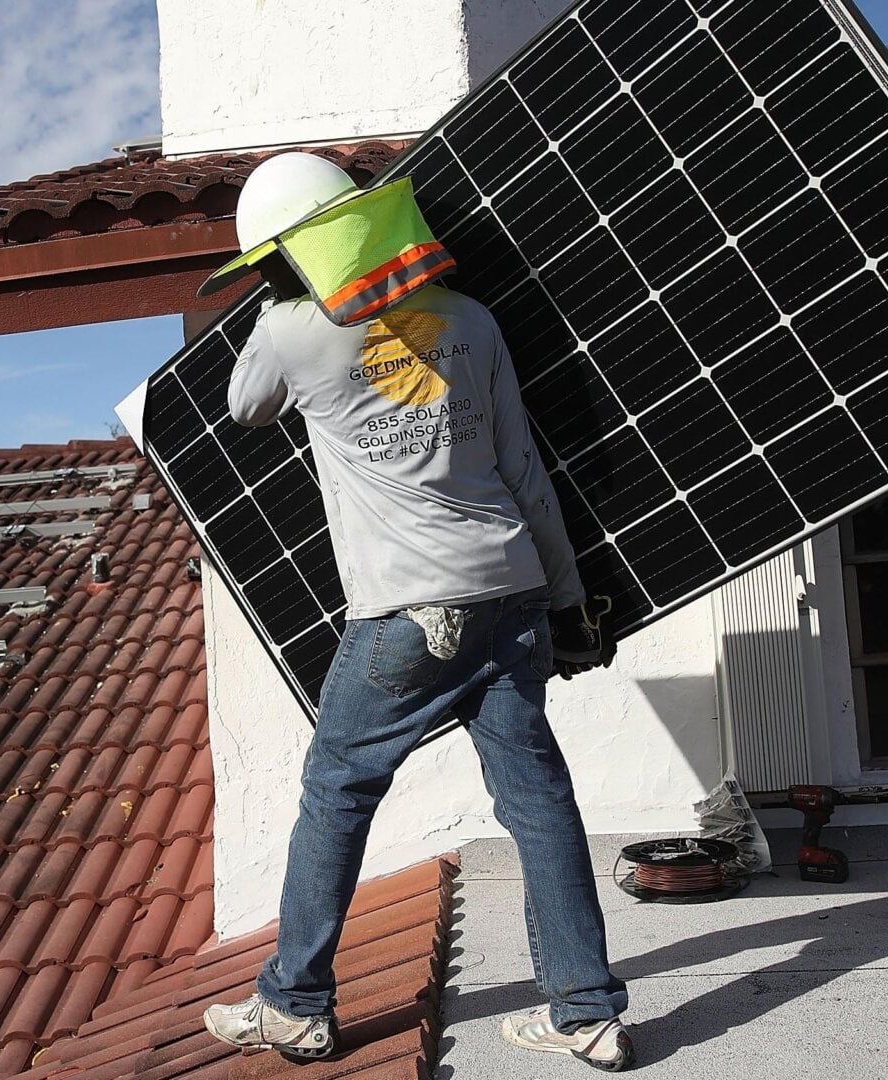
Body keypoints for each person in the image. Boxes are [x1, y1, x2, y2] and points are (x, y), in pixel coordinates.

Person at [197, 153, 632, 1071]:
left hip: (406, 612)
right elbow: (523, 467)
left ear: (288, 254)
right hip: (509, 589)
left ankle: (295, 1004)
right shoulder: (472, 321)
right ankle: (585, 1009)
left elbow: (245, 409)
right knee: (539, 801)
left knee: (337, 794)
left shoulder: (288, 332)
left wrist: (279, 298)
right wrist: (566, 601)